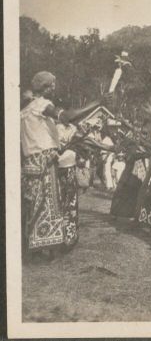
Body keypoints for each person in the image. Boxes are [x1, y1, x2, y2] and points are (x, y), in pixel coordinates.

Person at [21, 71, 110, 261]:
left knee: (33, 202)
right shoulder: (42, 105)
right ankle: (42, 247)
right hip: (45, 161)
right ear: (43, 88)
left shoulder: (25, 110)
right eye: (51, 85)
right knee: (48, 203)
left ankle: (34, 247)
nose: (54, 89)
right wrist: (97, 102)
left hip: (31, 163)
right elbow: (67, 117)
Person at [110, 121, 151, 220]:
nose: (140, 133)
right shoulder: (130, 141)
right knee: (124, 188)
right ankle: (118, 212)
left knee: (137, 190)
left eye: (143, 133)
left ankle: (134, 213)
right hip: (130, 167)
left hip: (141, 167)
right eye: (137, 129)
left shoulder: (148, 142)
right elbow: (127, 153)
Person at [57, 122, 79, 250]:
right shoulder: (56, 127)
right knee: (63, 205)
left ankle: (69, 237)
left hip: (69, 174)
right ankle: (62, 237)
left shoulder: (73, 129)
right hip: (60, 174)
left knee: (70, 206)